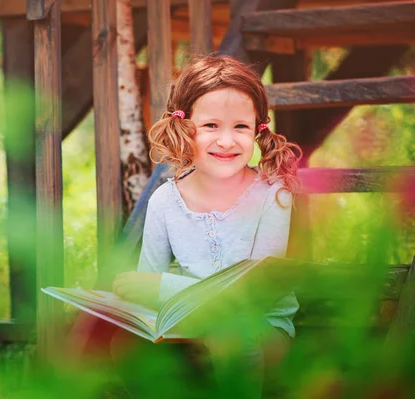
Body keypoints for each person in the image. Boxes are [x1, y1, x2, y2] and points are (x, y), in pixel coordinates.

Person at [109, 55, 303, 398]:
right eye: (212, 126)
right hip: (190, 325)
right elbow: (146, 287)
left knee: (230, 338)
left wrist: (162, 288)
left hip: (260, 329)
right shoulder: (164, 202)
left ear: (257, 129)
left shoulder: (273, 197)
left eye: (240, 127)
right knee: (125, 347)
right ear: (184, 128)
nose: (227, 141)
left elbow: (255, 295)